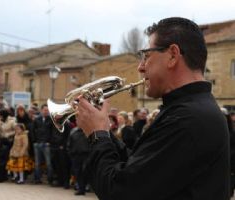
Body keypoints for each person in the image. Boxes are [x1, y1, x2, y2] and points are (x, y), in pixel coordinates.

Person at [75, 17, 230, 200]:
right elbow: (140, 168)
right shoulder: (190, 110)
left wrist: (97, 136)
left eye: (146, 56)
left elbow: (119, 192)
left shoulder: (188, 118)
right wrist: (104, 132)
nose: (140, 67)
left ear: (173, 55)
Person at [30, 104, 53, 184]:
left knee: (48, 163)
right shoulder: (37, 120)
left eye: (47, 110)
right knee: (37, 163)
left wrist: (49, 141)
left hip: (47, 144)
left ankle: (50, 179)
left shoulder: (51, 120)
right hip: (37, 144)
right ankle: (37, 179)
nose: (46, 111)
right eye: (45, 110)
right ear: (41, 110)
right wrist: (34, 141)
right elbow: (32, 131)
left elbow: (52, 132)